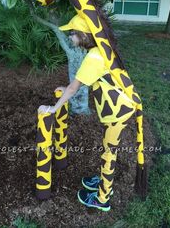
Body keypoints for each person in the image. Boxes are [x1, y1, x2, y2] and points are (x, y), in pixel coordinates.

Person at [38, 14, 138, 212]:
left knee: (109, 152)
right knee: (107, 148)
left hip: (119, 112)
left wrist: (54, 108)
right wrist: (66, 89)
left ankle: (102, 198)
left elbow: (74, 88)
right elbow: (78, 84)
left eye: (73, 33)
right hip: (119, 108)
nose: (71, 37)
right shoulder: (100, 50)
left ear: (84, 35)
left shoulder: (93, 57)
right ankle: (102, 181)